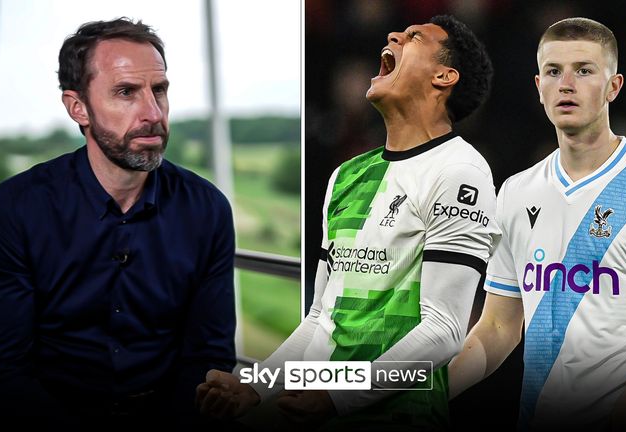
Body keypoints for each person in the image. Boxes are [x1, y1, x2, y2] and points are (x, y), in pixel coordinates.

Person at [196, 15, 497, 430]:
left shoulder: (461, 171)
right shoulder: (346, 175)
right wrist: (254, 384)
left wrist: (340, 396)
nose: (393, 36)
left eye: (414, 38)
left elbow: (444, 331)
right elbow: (322, 317)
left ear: (444, 76)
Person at [448, 17, 626, 431]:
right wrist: (436, 391)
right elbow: (499, 326)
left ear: (614, 86)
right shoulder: (515, 193)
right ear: (539, 87)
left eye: (584, 71)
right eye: (554, 71)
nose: (566, 84)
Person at [0, 18, 236, 426]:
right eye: (126, 92)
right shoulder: (17, 206)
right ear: (78, 108)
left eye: (159, 90)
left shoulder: (207, 209)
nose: (153, 112)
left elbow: (209, 356)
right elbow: (1, 371)